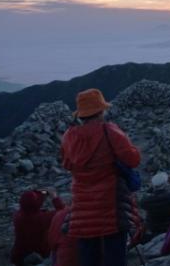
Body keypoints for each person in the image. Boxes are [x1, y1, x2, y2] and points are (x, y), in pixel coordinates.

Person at [61, 88, 141, 266]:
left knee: (88, 258)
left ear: (81, 115)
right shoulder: (110, 131)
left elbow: (66, 164)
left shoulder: (69, 136)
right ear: (101, 111)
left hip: (82, 210)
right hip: (111, 207)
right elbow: (133, 160)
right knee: (115, 257)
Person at [11, 189, 65, 266]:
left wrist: (43, 192)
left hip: (19, 255)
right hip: (41, 253)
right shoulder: (43, 218)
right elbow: (62, 211)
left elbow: (30, 202)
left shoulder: (17, 216)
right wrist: (54, 197)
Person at [139, 172, 170, 239]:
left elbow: (143, 198)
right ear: (166, 184)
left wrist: (152, 188)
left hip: (154, 230)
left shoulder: (146, 201)